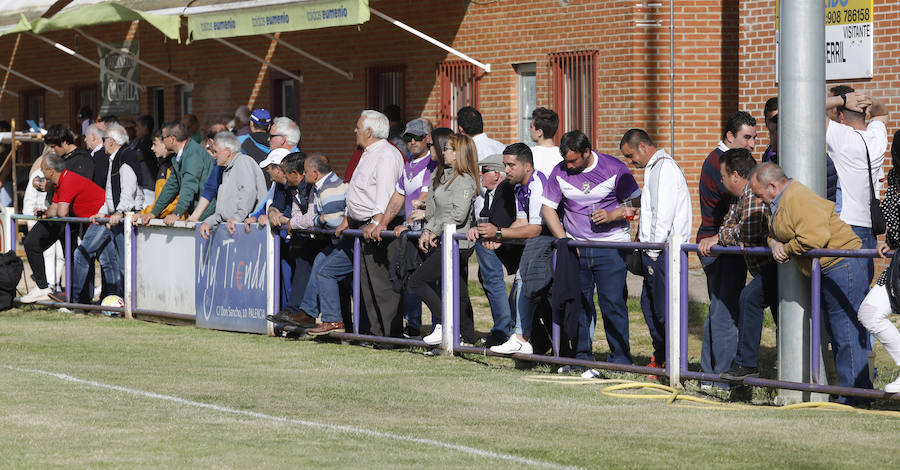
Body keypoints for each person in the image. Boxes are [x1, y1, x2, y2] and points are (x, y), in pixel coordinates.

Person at [750, 162, 872, 404]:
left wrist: (785, 247)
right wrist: (774, 242)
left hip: (842, 265)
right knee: (840, 334)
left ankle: (856, 398)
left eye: (758, 193)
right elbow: (778, 230)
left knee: (846, 332)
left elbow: (814, 238)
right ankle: (853, 393)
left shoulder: (797, 197)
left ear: (773, 186)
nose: (757, 198)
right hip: (831, 267)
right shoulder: (781, 201)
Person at [541, 130, 641, 365]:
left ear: (587, 152)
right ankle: (581, 357)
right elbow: (548, 209)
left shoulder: (614, 168)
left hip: (611, 247)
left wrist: (612, 214)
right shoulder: (560, 171)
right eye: (566, 160)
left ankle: (620, 359)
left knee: (613, 304)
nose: (569, 165)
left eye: (573, 160)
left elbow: (636, 204)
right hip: (576, 248)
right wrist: (565, 240)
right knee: (579, 304)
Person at [619, 129, 692, 371]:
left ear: (642, 146)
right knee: (650, 306)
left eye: (630, 156)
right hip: (657, 250)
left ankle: (672, 363)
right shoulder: (655, 168)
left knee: (663, 310)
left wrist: (652, 251)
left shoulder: (664, 168)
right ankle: (661, 357)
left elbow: (663, 214)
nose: (630, 162)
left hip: (663, 252)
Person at [695, 111, 756, 381]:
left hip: (717, 243)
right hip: (720, 248)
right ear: (730, 137)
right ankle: (721, 373)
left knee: (720, 308)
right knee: (726, 311)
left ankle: (712, 369)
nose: (752, 144)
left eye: (754, 137)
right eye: (747, 137)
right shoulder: (720, 165)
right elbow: (737, 216)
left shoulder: (719, 160)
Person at [711, 148, 777, 381]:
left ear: (735, 176)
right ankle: (778, 367)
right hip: (767, 266)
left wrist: (732, 235)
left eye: (723, 176)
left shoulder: (751, 193)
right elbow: (725, 229)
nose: (721, 180)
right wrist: (731, 235)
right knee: (776, 313)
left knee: (749, 299)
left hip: (778, 264)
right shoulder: (738, 198)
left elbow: (747, 232)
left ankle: (746, 364)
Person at [340, 110, 405, 338]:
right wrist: (348, 218)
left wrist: (378, 222)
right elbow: (359, 189)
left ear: (369, 131)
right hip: (363, 225)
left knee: (383, 285)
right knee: (368, 286)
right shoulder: (369, 152)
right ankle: (377, 334)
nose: (354, 131)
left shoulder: (386, 154)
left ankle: (390, 336)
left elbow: (386, 192)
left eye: (358, 127)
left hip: (377, 227)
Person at [370, 118, 436, 338]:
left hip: (428, 233)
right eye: (409, 137)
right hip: (412, 234)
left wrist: (406, 224)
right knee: (411, 280)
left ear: (428, 139)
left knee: (433, 284)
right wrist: (382, 224)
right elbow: (398, 197)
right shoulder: (409, 164)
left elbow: (425, 197)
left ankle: (441, 328)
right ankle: (414, 326)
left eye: (418, 137)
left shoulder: (431, 165)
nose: (413, 141)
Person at [411, 134, 479, 346]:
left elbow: (457, 215)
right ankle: (466, 337)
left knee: (417, 281)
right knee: (459, 291)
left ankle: (444, 322)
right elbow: (438, 211)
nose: (445, 152)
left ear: (460, 154)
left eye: (450, 149)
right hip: (446, 239)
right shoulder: (447, 175)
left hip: (457, 243)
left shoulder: (464, 180)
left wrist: (432, 230)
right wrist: (429, 228)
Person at [487, 143, 550, 354]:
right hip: (539, 245)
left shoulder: (537, 183)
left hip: (552, 245)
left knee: (531, 293)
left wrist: (499, 233)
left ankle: (523, 339)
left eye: (511, 165)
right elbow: (522, 222)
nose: (506, 170)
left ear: (527, 166)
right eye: (505, 165)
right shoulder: (518, 187)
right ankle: (525, 340)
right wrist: (500, 237)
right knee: (524, 294)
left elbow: (534, 229)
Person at [19, 153, 105, 303]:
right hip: (93, 222)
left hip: (103, 221)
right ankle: (50, 290)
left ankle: (78, 300)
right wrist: (45, 213)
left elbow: (62, 212)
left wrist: (54, 210)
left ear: (51, 170)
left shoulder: (68, 180)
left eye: (43, 169)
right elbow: (55, 208)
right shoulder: (61, 182)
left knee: (96, 260)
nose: (41, 173)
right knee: (90, 258)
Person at [825, 90, 889, 284]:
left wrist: (842, 99)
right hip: (869, 228)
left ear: (842, 117)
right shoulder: (876, 140)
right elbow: (882, 114)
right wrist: (870, 101)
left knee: (844, 293)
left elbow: (807, 108)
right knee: (860, 290)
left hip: (845, 225)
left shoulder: (842, 136)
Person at [467, 153, 520, 347]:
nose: (480, 175)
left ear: (497, 174)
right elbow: (485, 217)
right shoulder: (492, 193)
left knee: (495, 281)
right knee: (488, 278)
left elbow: (503, 221)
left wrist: (493, 234)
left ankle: (503, 330)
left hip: (512, 246)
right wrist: (476, 227)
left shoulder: (506, 189)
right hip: (500, 245)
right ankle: (505, 328)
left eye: (484, 171)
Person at [858, 160, 900, 394]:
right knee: (869, 312)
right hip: (897, 265)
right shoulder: (894, 178)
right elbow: (890, 216)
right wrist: (890, 242)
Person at [135, 121, 215, 225]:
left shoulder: (192, 154)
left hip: (209, 215)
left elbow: (189, 186)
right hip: (200, 213)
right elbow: (171, 187)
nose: (162, 141)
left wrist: (177, 213)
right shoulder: (180, 156)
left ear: (172, 139)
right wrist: (154, 212)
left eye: (163, 138)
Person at [198, 132, 267, 239]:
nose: (214, 156)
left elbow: (248, 192)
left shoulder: (243, 161)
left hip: (247, 230)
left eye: (216, 152)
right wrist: (209, 222)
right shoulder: (227, 168)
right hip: (236, 227)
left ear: (228, 152)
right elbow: (223, 212)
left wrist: (237, 218)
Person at [140, 129, 178, 218]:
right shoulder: (163, 165)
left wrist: (151, 213)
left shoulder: (174, 165)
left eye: (155, 144)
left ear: (165, 143)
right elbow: (159, 200)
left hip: (173, 221)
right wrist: (145, 213)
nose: (152, 148)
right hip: (162, 217)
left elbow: (175, 201)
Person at [529, 107, 562, 176]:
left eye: (531, 127)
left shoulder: (528, 154)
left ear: (540, 132)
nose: (529, 129)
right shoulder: (562, 155)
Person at [83, 123, 109, 189]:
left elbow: (99, 182)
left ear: (93, 137)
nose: (85, 140)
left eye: (86, 136)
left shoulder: (102, 155)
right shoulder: (91, 154)